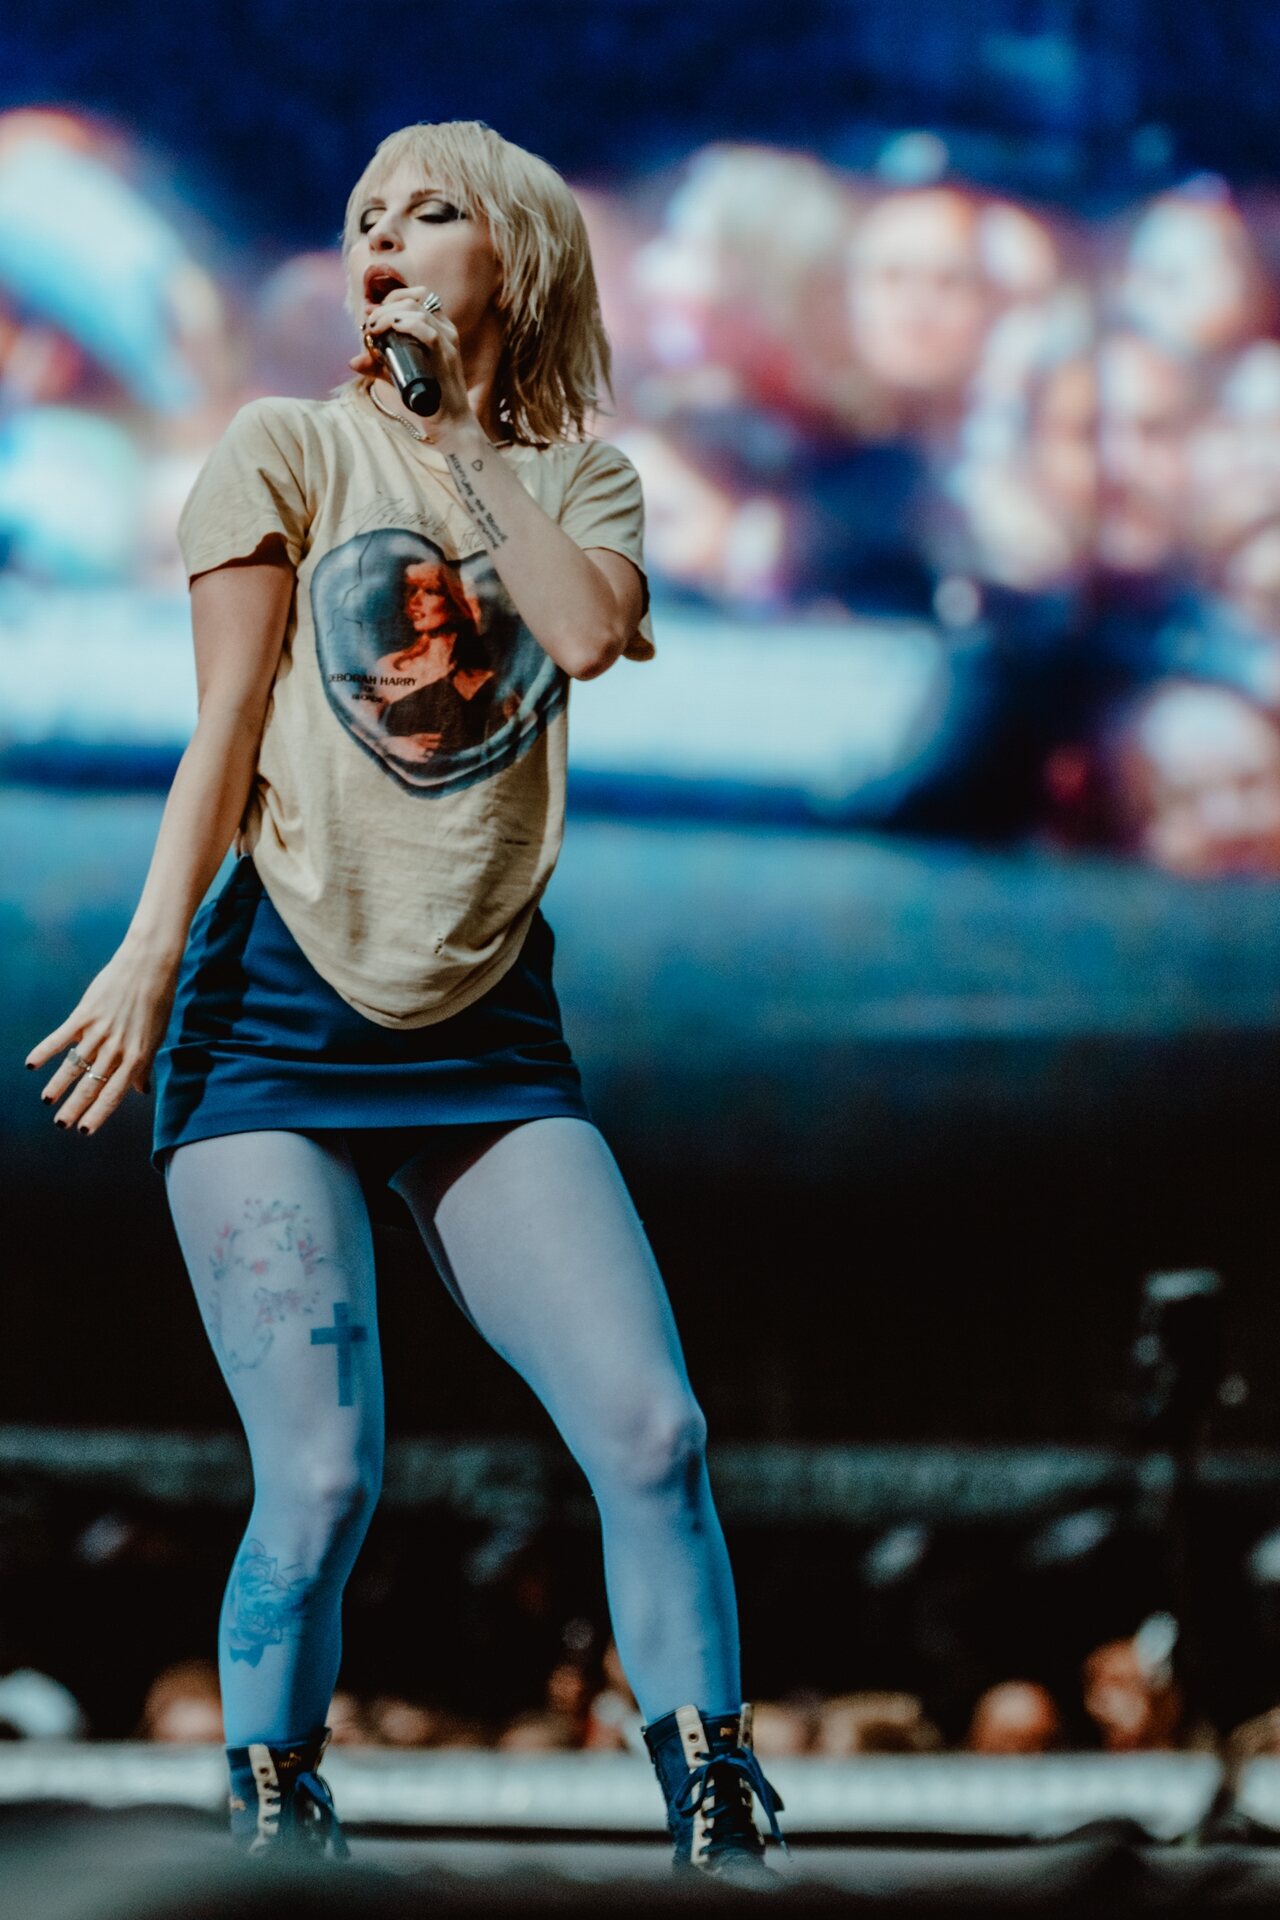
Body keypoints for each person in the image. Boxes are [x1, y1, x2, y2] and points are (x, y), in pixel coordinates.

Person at [22, 119, 784, 1880]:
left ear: (509, 256)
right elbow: (222, 731)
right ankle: (275, 1828)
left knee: (654, 1432)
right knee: (322, 1477)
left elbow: (579, 633)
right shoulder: (281, 449)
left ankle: (716, 1819)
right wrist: (147, 952)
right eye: (364, 215)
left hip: (486, 1036)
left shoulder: (583, 484)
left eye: (427, 212)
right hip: (273, 1026)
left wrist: (462, 444)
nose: (381, 238)